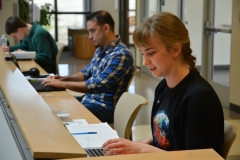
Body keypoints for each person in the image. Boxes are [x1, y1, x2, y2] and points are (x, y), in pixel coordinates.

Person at [102, 12, 224, 156]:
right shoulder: (163, 87)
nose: (144, 62)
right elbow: (164, 139)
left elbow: (197, 157)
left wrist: (140, 149)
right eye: (142, 54)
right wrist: (134, 146)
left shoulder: (199, 98)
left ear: (175, 49)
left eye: (151, 53)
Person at [42, 10, 135, 124]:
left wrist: (63, 84)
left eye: (92, 31)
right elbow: (85, 73)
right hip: (90, 100)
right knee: (54, 104)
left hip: (106, 108)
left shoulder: (121, 54)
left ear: (106, 28)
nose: (89, 36)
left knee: (61, 118)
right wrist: (62, 79)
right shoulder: (100, 49)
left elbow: (99, 85)